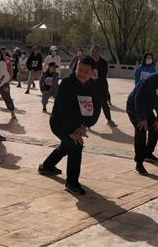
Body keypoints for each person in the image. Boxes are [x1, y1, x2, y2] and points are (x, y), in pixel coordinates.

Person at [38, 55, 104, 195]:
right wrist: (72, 131)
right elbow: (64, 110)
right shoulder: (67, 83)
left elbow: (95, 108)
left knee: (67, 145)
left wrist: (85, 125)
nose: (81, 74)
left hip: (78, 124)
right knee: (75, 145)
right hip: (60, 123)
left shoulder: (92, 86)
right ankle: (72, 182)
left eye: (86, 72)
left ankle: (46, 166)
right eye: (79, 70)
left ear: (92, 73)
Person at [90, 46, 117, 127]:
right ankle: (86, 123)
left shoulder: (103, 63)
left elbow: (102, 77)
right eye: (93, 52)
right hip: (90, 86)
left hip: (101, 86)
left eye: (97, 51)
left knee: (104, 103)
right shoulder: (88, 61)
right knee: (89, 104)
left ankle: (109, 120)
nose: (95, 53)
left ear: (99, 52)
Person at [0, 49, 17, 120]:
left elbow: (3, 75)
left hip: (3, 84)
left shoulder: (2, 63)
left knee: (7, 98)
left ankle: (12, 112)